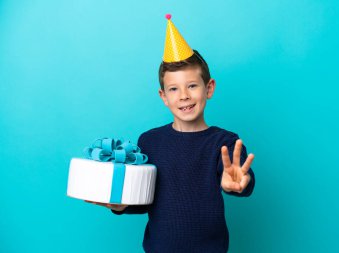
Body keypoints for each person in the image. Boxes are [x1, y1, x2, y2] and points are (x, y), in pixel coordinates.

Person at [87, 15, 256, 252]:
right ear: (163, 97)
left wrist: (238, 184)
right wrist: (120, 205)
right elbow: (144, 199)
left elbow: (240, 179)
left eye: (192, 86)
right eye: (174, 89)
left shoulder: (225, 143)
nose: (184, 95)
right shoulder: (149, 141)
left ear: (209, 88)